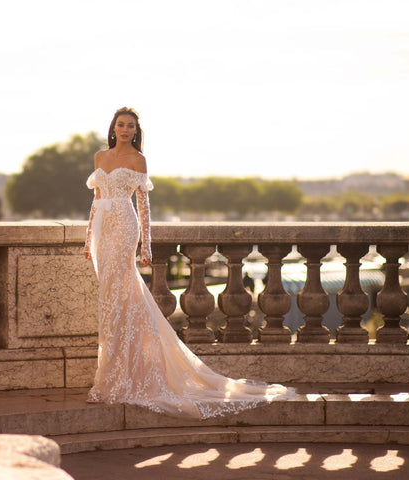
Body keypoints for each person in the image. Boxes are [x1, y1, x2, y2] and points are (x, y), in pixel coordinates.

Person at [83, 107, 295, 419]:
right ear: (113, 128)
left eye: (130, 126)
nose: (125, 130)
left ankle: (115, 381)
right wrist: (89, 239)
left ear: (135, 131)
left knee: (119, 299)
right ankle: (114, 374)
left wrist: (147, 244)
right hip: (104, 230)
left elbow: (143, 204)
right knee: (111, 301)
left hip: (125, 229)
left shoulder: (138, 160)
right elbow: (96, 199)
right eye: (121, 125)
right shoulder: (100, 157)